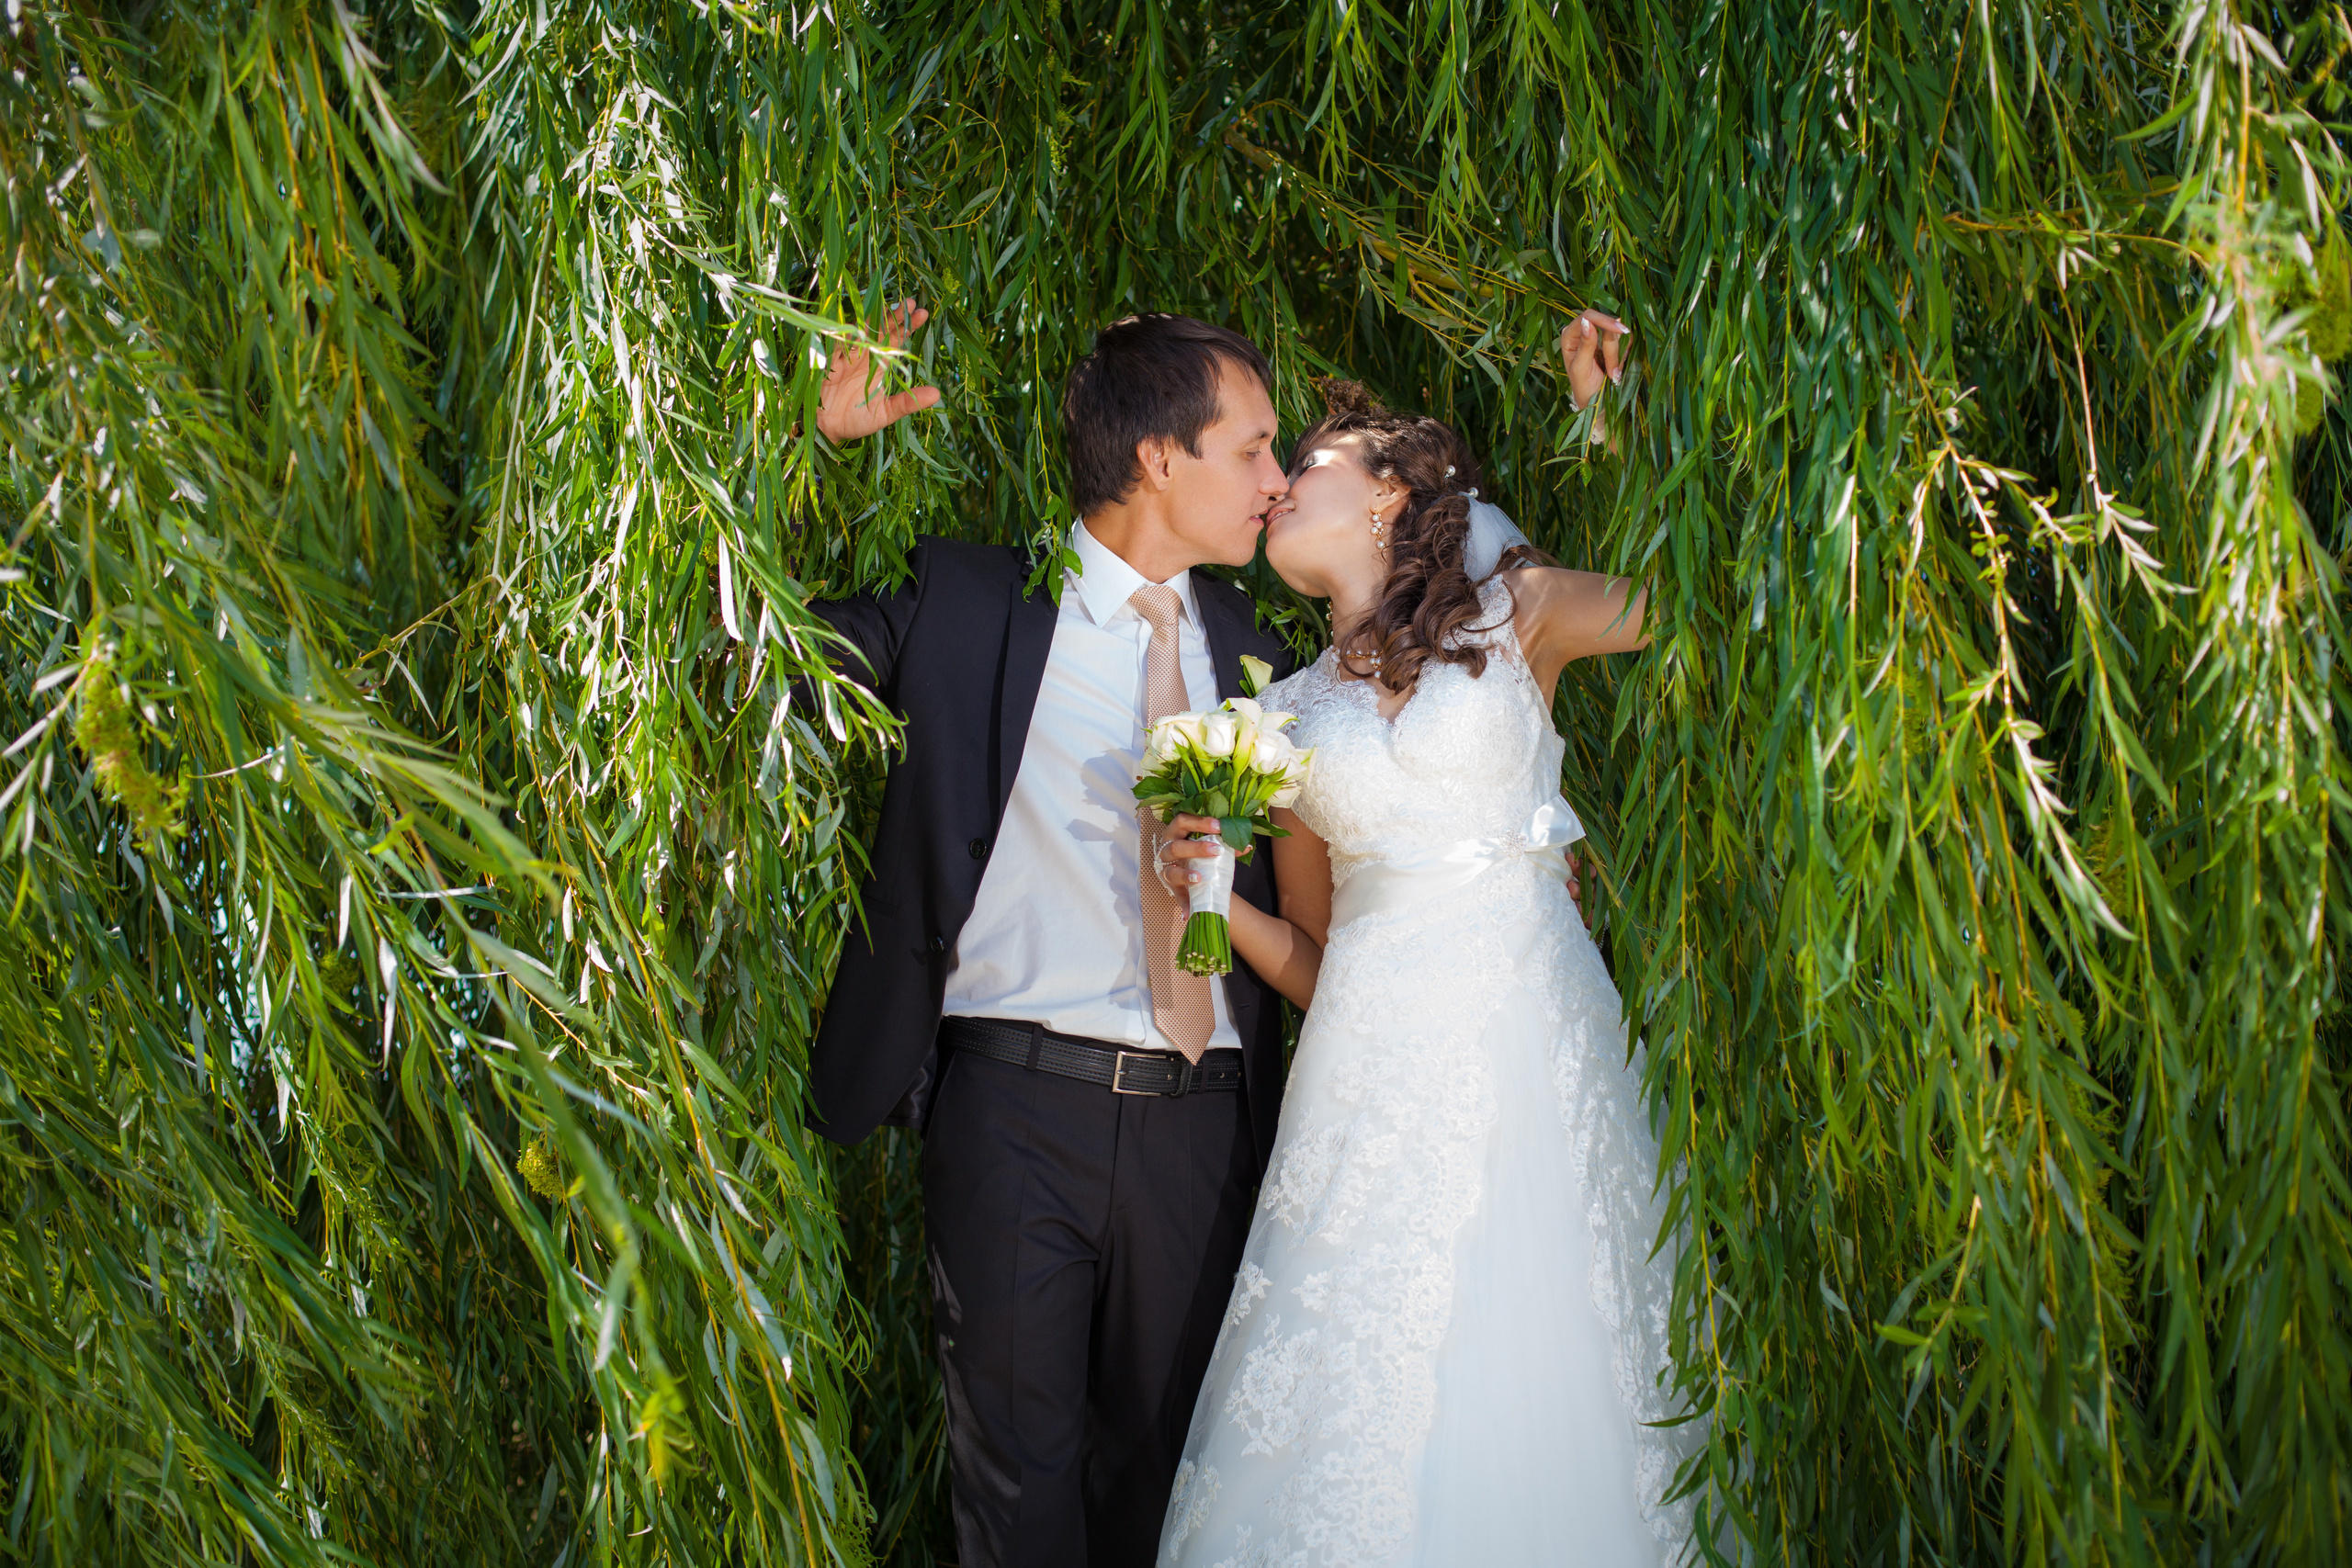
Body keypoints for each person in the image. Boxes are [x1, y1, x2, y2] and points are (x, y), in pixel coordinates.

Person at [1149, 317, 1707, 1563]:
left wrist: (1611, 423)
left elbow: (1690, 599)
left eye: (1310, 459)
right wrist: (1212, 902)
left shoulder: (1521, 615)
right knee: (1365, 1391)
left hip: (1530, 1039)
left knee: (1554, 1360)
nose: (1282, 480)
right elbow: (1314, 956)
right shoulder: (1277, 722)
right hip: (1370, 1077)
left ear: (1389, 492)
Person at [803, 307, 1301, 1567]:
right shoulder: (966, 602)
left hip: (1206, 1121)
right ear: (1158, 460)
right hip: (1014, 1113)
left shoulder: (1261, 660)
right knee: (1015, 1506)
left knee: (1180, 1498)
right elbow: (756, 658)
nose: (1277, 481)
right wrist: (799, 453)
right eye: (1251, 449)